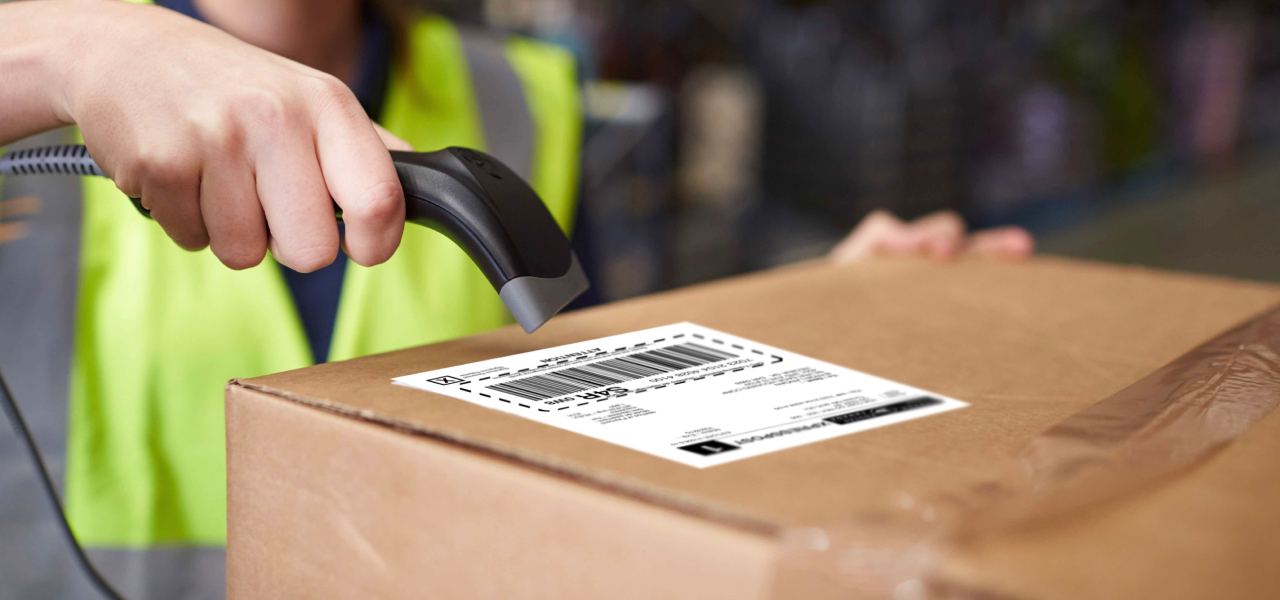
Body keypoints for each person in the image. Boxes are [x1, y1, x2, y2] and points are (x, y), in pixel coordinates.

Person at [0, 0, 1032, 597]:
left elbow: (601, 374)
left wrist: (808, 321)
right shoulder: (46, 89)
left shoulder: (522, 89)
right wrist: (73, 51)